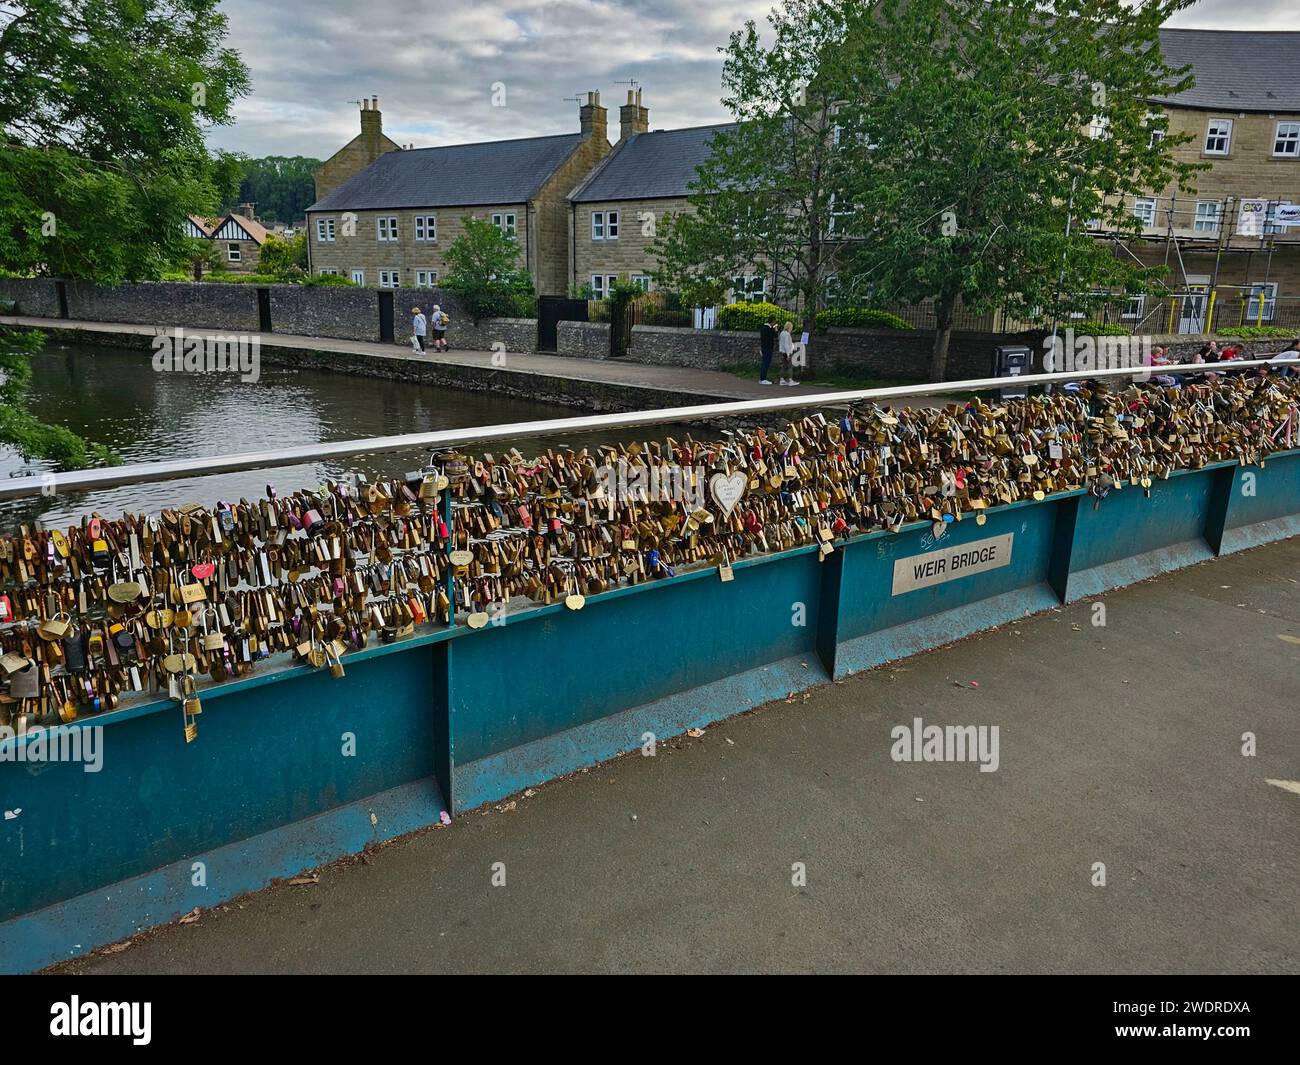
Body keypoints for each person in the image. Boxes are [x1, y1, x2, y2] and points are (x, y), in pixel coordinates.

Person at [778, 321, 798, 387]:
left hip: (782, 351)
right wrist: (788, 354)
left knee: (783, 366)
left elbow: (781, 343)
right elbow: (786, 345)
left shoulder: (781, 333)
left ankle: (782, 380)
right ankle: (790, 380)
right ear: (789, 327)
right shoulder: (787, 334)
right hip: (787, 352)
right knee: (790, 366)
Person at [758, 317, 777, 385]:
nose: (775, 323)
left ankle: (762, 378)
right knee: (766, 363)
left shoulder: (763, 328)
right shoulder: (768, 329)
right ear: (772, 322)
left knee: (765, 363)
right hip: (768, 348)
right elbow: (774, 336)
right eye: (774, 322)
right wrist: (775, 329)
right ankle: (763, 379)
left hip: (764, 347)